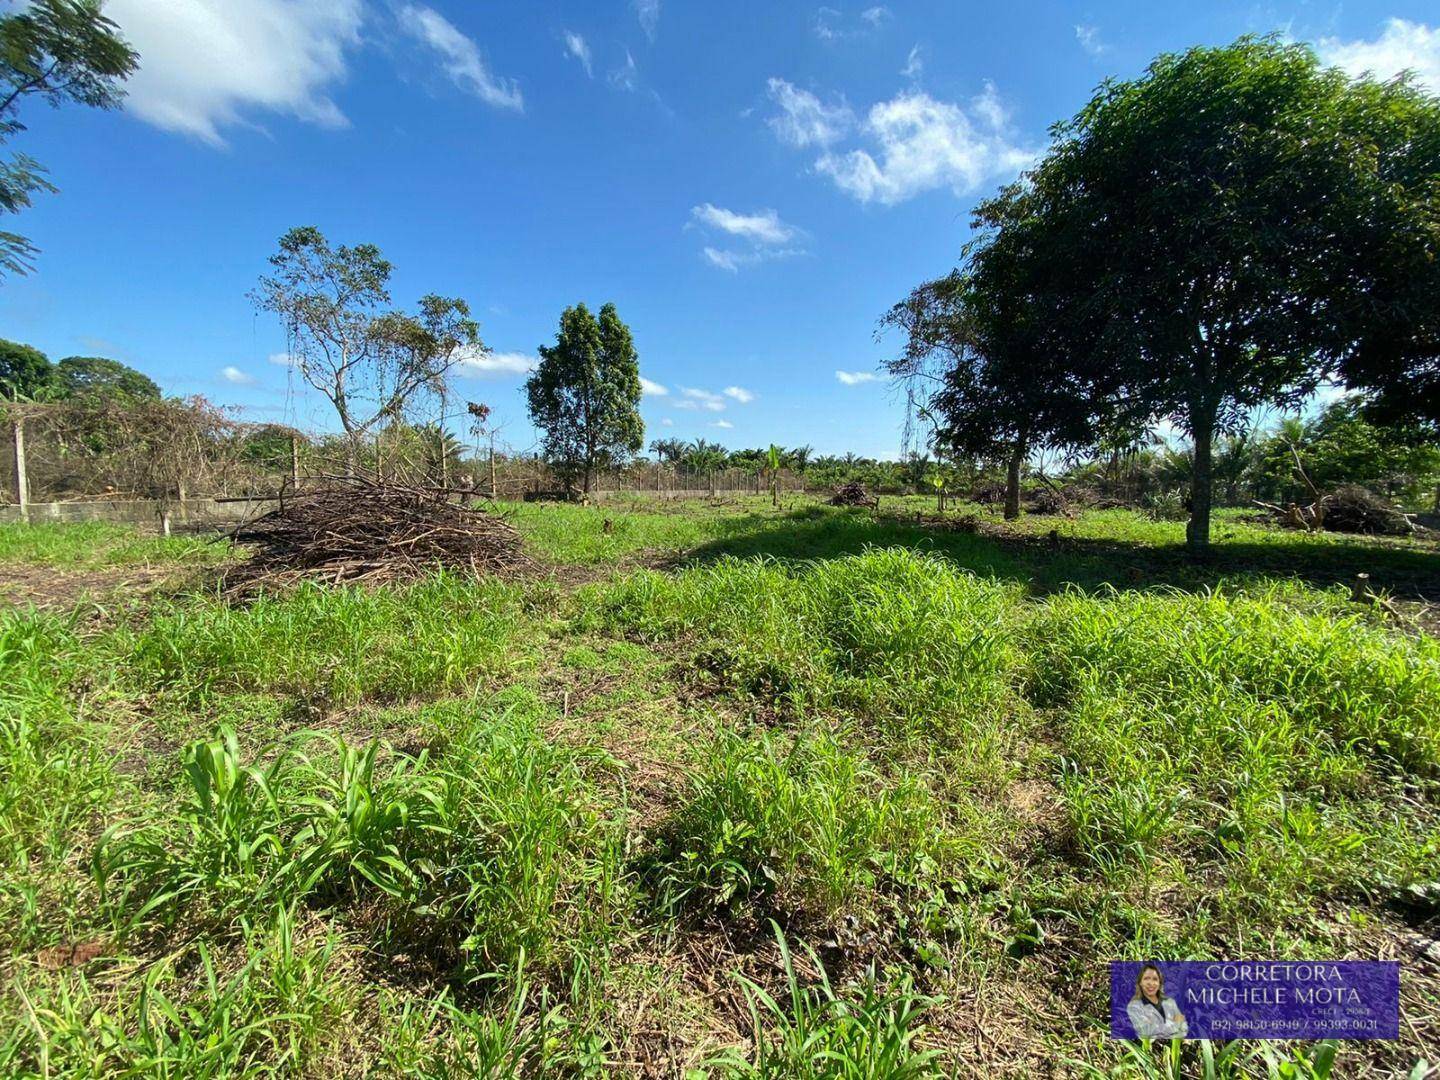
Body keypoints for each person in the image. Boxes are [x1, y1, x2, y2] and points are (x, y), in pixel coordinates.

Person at [1126, 963, 1188, 1039]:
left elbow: (1184, 1029)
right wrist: (1174, 1023)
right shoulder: (1134, 1006)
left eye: (1155, 979)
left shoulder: (1170, 1002)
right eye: (1146, 979)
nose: (1151, 983)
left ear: (1159, 983)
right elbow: (1146, 1032)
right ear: (1140, 983)